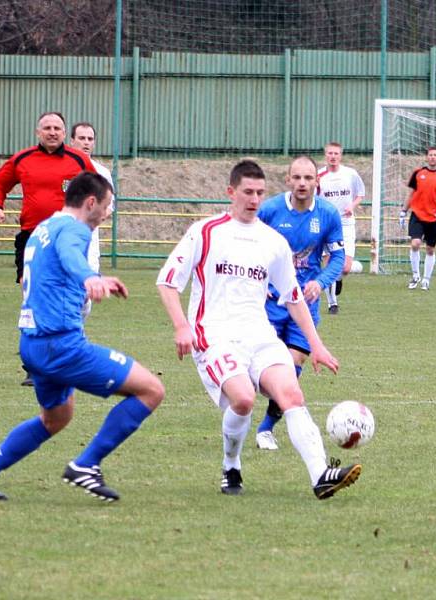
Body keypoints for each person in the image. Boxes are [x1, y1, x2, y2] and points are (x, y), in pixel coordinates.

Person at [156, 160, 360, 500]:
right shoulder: (205, 231)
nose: (254, 199)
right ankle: (230, 464)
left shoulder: (272, 241)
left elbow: (293, 297)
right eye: (247, 192)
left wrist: (318, 346)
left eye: (260, 193)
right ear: (231, 193)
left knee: (292, 395)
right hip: (215, 334)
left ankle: (321, 475)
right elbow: (167, 282)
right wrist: (181, 327)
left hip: (259, 334)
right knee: (244, 399)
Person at [0, 173, 164, 502]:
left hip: (32, 344)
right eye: (108, 206)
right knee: (152, 390)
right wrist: (90, 277)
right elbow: (70, 255)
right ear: (91, 202)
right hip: (61, 345)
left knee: (56, 417)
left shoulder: (45, 226)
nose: (108, 213)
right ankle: (87, 465)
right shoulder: (74, 229)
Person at [0, 111, 97, 386]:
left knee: (72, 297)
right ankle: (33, 366)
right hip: (32, 239)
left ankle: (66, 357)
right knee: (32, 298)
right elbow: (0, 182)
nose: (52, 132)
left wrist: (92, 216)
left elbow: (96, 189)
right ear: (38, 132)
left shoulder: (79, 160)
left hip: (66, 240)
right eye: (47, 127)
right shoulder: (23, 159)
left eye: (57, 128)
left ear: (64, 133)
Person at [254, 155, 346, 451]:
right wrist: (259, 281)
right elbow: (248, 246)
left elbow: (339, 258)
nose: (302, 183)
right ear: (288, 180)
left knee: (293, 366)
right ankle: (241, 413)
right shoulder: (269, 210)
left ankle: (265, 428)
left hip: (304, 305)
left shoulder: (329, 215)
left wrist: (319, 283)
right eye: (297, 178)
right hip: (269, 303)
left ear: (317, 181)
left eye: (308, 178)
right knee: (259, 367)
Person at [69, 121, 116, 316]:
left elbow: (109, 207)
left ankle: (73, 333)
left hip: (89, 242)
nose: (86, 143)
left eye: (90, 139)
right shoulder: (64, 169)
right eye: (81, 138)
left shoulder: (102, 173)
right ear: (72, 141)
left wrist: (92, 217)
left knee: (85, 296)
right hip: (62, 239)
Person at [317, 142, 365, 314]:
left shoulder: (350, 174)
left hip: (346, 224)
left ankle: (336, 280)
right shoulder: (319, 176)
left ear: (340, 155)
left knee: (344, 267)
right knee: (329, 262)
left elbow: (360, 194)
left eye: (336, 153)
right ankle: (332, 304)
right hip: (327, 225)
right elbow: (312, 198)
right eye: (330, 153)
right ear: (325, 155)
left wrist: (352, 206)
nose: (333, 156)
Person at [399, 147, 436, 291]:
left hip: (435, 218)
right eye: (430, 155)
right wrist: (403, 211)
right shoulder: (418, 173)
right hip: (417, 214)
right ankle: (415, 275)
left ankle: (426, 279)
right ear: (426, 157)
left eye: (435, 155)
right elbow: (411, 194)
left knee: (430, 249)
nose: (433, 157)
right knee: (415, 243)